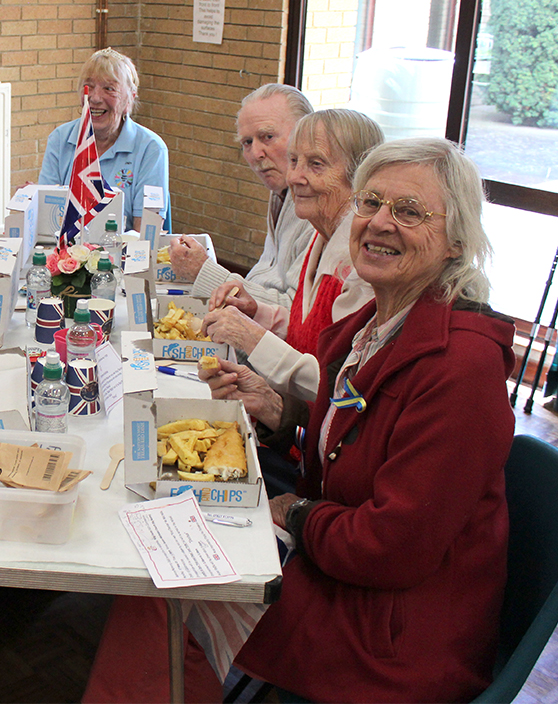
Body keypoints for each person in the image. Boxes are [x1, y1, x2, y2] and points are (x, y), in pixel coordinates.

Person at [188, 137, 515, 702]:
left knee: (170, 597)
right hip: (344, 574)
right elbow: (357, 435)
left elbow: (392, 547)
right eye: (370, 202)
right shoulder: (374, 325)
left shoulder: (462, 366)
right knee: (172, 560)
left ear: (457, 242)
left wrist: (299, 512)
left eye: (409, 211)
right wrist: (274, 408)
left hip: (392, 630)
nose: (380, 222)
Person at [202, 108, 381, 403]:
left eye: (316, 164)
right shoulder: (323, 235)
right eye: (295, 161)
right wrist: (256, 312)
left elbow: (339, 388)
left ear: (360, 176)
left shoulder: (362, 264)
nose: (295, 176)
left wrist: (252, 338)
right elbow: (309, 332)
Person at [171, 84, 316, 306]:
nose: (255, 154)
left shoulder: (318, 208)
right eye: (247, 142)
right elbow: (267, 274)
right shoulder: (281, 190)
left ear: (306, 135)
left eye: (267, 136)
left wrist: (205, 272)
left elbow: (294, 313)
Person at [38, 47, 171, 233]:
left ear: (129, 100)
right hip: (66, 254)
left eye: (109, 89)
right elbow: (44, 217)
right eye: (89, 87)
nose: (95, 98)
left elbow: (146, 234)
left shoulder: (151, 149)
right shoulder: (60, 139)